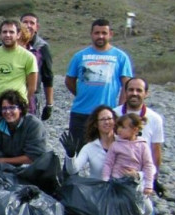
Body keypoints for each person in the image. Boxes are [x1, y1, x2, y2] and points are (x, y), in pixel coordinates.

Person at [65, 19, 133, 147]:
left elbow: (127, 84)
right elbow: (69, 80)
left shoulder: (121, 57)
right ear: (91, 34)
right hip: (81, 112)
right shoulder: (79, 56)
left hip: (107, 114)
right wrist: (81, 94)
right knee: (74, 153)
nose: (100, 36)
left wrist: (120, 109)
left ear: (110, 34)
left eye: (104, 33)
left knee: (106, 154)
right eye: (97, 33)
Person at [0, 20, 37, 127]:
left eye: (11, 32)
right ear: (0, 34)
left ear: (18, 34)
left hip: (16, 107)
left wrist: (21, 102)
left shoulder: (28, 57)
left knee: (16, 141)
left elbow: (32, 87)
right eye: (4, 32)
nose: (8, 35)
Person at [115, 77, 165, 193]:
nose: (134, 93)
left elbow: (155, 150)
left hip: (141, 176)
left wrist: (154, 178)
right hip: (116, 174)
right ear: (125, 92)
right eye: (131, 90)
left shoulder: (155, 119)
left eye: (139, 90)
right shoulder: (114, 114)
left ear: (146, 93)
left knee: (144, 210)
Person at [0, 90, 48, 168]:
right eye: (4, 108)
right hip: (5, 166)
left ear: (20, 109)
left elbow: (33, 157)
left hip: (29, 167)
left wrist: (1, 161)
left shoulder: (34, 125)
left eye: (12, 108)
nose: (7, 112)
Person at [102, 113, 156, 194]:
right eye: (118, 127)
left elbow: (148, 165)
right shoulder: (115, 145)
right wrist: (105, 180)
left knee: (145, 206)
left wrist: (148, 185)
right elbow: (108, 163)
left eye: (123, 127)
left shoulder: (143, 146)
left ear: (135, 130)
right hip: (117, 181)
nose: (119, 130)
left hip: (135, 183)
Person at [63, 105, 117, 178]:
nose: (107, 122)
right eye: (102, 119)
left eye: (109, 118)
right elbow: (73, 170)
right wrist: (70, 155)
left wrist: (137, 176)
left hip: (122, 188)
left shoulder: (124, 143)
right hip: (97, 188)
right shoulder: (89, 147)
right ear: (95, 124)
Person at [19, 13, 55, 120]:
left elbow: (48, 77)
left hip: (32, 97)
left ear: (37, 27)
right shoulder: (7, 44)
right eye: (25, 22)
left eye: (32, 23)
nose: (28, 25)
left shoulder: (42, 47)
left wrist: (49, 104)